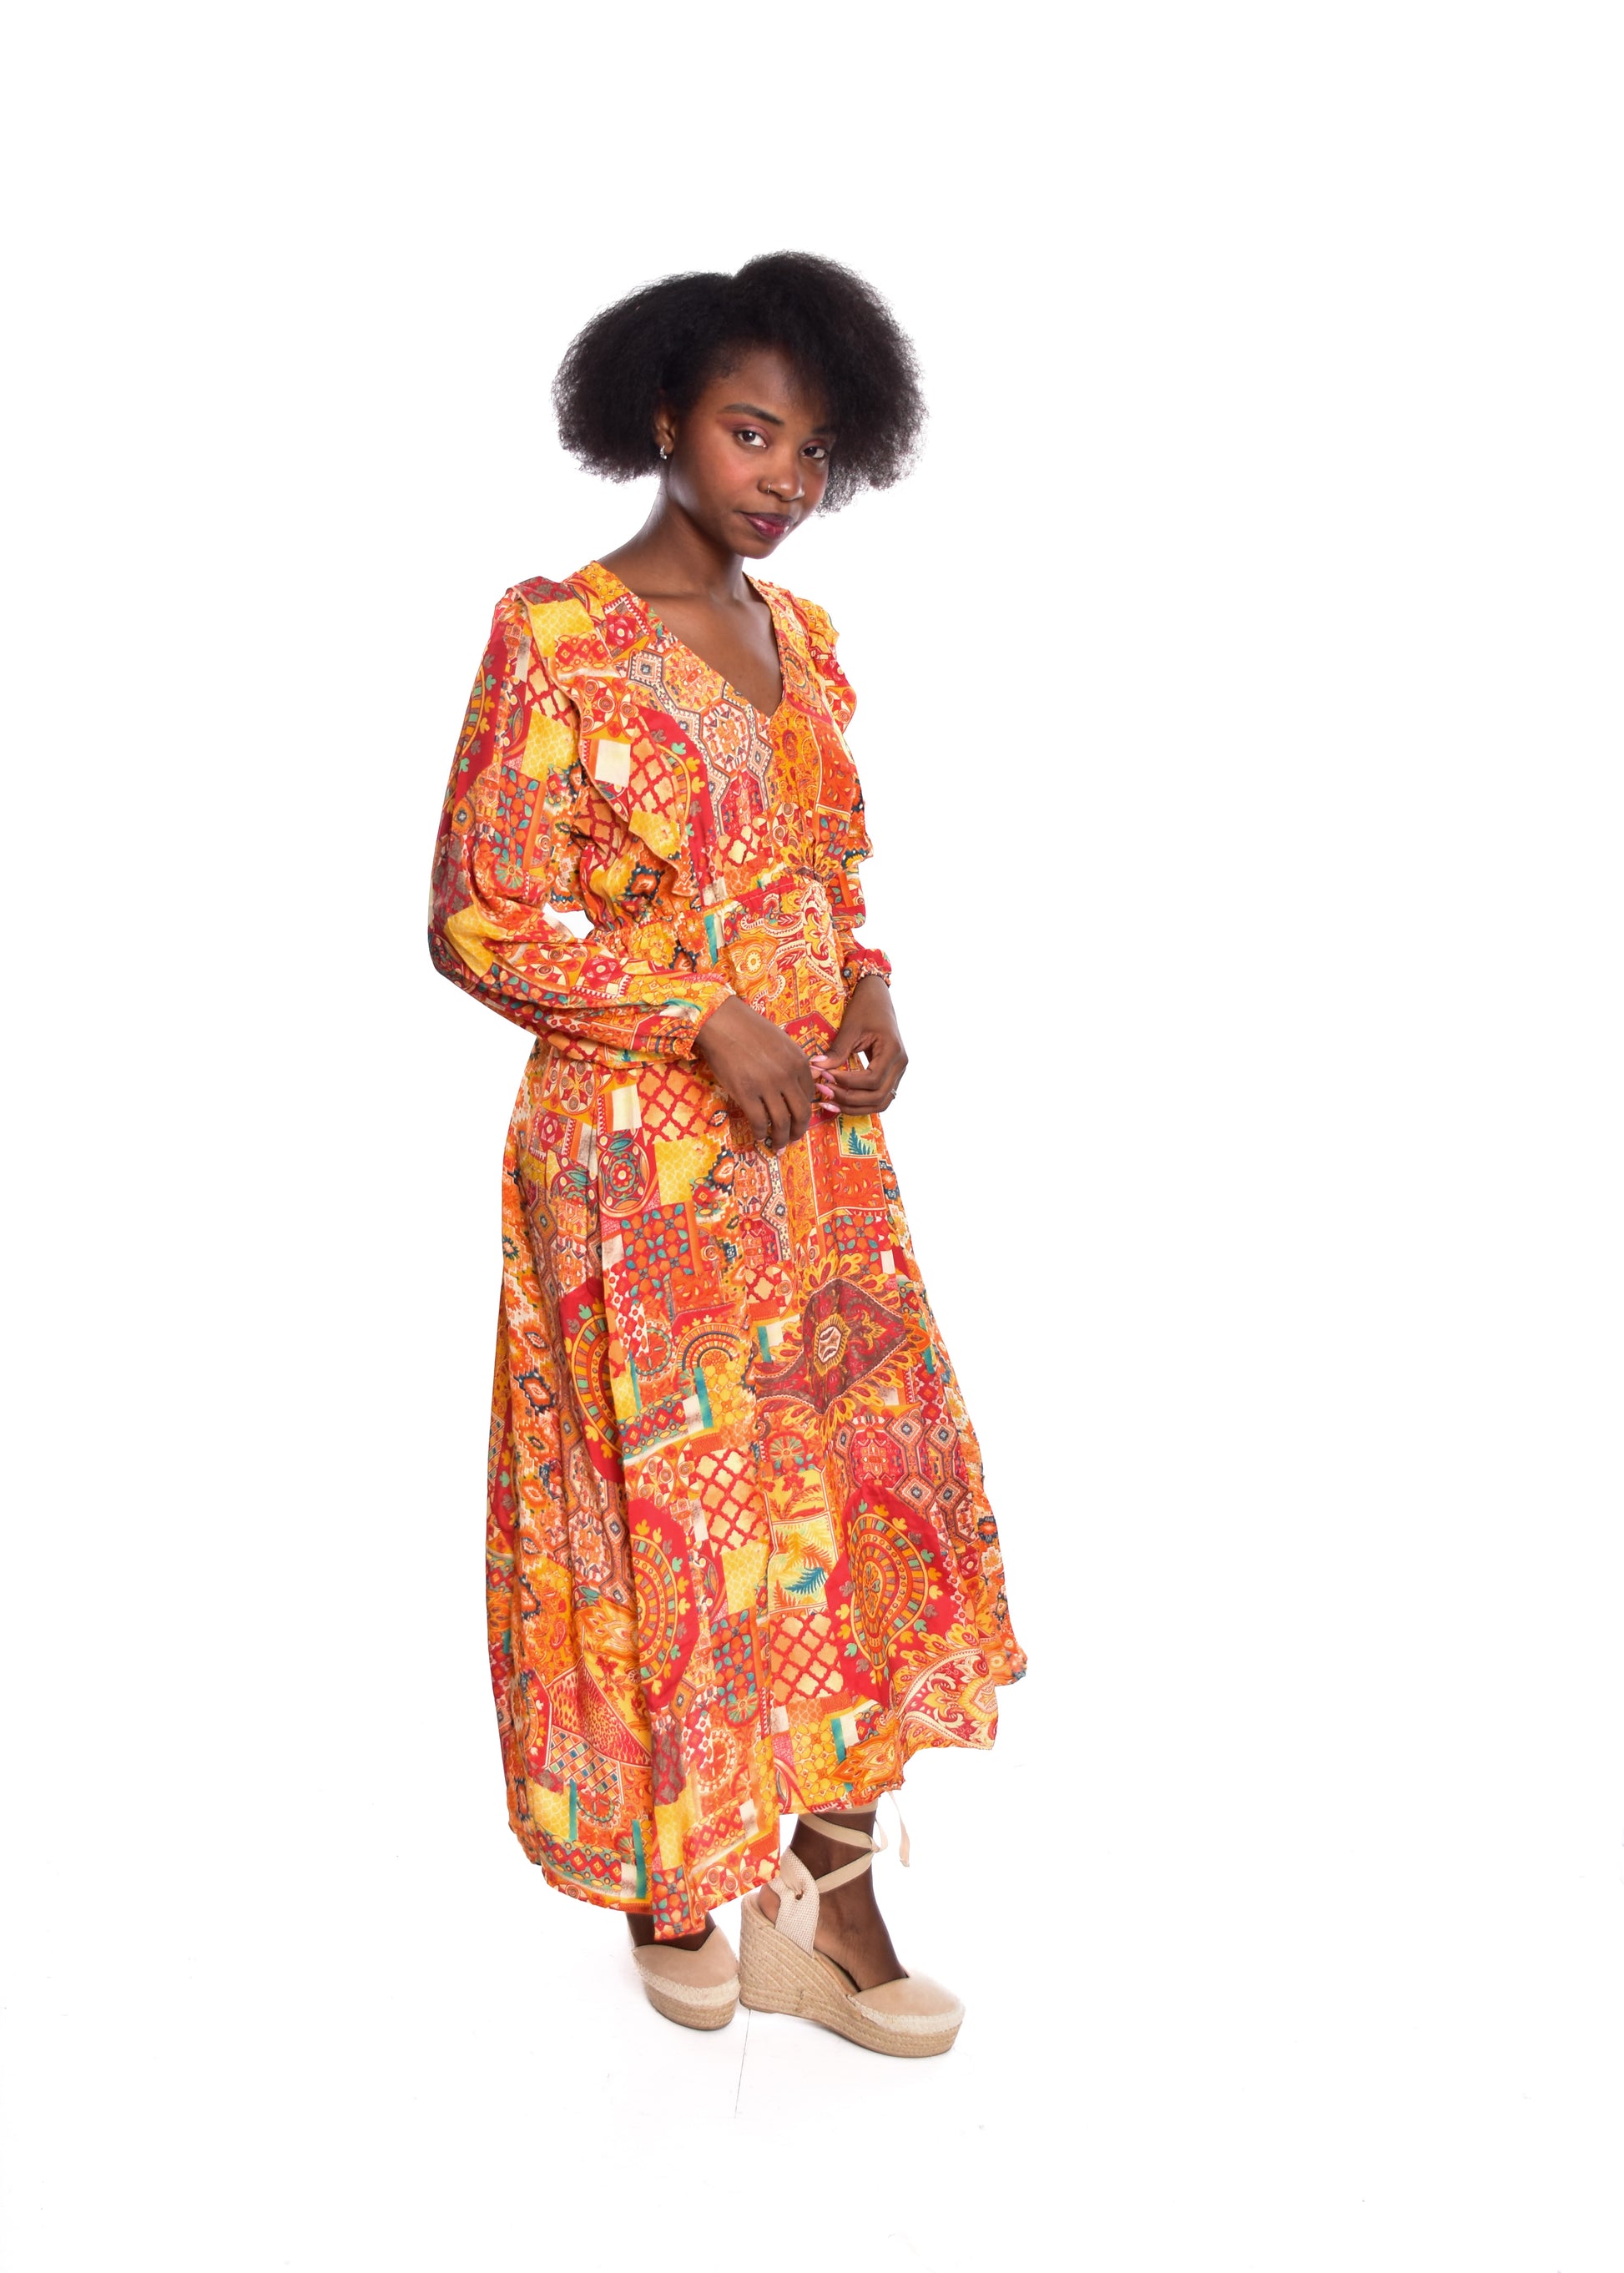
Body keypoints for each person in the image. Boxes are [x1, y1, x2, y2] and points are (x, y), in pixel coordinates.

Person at [429, 252, 1025, 2058]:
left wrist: (870, 992)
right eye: (752, 432)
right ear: (663, 419)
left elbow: (827, 875)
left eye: (816, 450)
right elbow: (479, 916)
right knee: (669, 1518)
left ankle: (831, 1907)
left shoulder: (807, 644)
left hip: (811, 1160)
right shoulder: (557, 638)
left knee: (846, 1498)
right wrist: (698, 1014)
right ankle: (676, 1881)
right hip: (631, 1163)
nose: (785, 478)